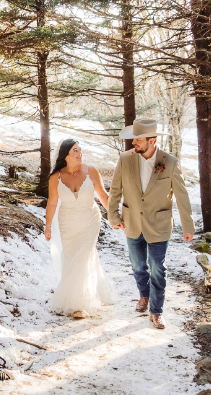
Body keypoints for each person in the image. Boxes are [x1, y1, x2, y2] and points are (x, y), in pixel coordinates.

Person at [108, 118, 194, 330]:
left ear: (152, 141)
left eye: (138, 139)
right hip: (132, 223)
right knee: (138, 266)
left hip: (159, 224)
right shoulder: (125, 159)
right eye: (133, 139)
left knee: (157, 268)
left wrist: (188, 225)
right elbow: (115, 190)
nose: (134, 143)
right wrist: (113, 216)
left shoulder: (170, 162)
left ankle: (156, 311)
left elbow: (182, 196)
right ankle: (144, 296)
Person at [44, 139, 117, 319]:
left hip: (90, 220)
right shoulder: (56, 177)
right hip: (67, 222)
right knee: (71, 257)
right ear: (66, 154)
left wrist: (115, 217)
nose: (79, 153)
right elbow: (52, 203)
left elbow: (102, 195)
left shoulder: (91, 171)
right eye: (75, 150)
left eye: (80, 150)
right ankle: (76, 294)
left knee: (84, 256)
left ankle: (80, 304)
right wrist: (47, 225)